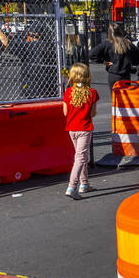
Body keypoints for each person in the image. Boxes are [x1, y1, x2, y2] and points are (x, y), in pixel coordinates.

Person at [0, 20, 58, 99]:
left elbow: (6, 42)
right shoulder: (51, 46)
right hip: (49, 89)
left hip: (30, 90)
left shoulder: (27, 46)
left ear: (29, 35)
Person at [61, 62, 99, 199]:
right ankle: (72, 186)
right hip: (85, 128)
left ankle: (84, 183)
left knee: (80, 156)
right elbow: (93, 113)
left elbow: (65, 113)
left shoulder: (68, 92)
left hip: (72, 128)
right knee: (81, 157)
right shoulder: (92, 93)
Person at [89, 24, 139, 89]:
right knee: (125, 97)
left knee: (115, 97)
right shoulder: (128, 43)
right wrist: (132, 64)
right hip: (125, 75)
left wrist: (103, 61)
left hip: (113, 74)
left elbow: (91, 54)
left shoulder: (107, 44)